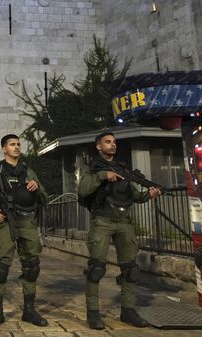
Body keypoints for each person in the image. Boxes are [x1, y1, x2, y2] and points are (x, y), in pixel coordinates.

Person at [78, 131, 161, 330]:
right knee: (96, 268)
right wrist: (103, 175)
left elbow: (133, 195)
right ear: (99, 146)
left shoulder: (123, 168)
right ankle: (93, 313)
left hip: (124, 222)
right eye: (108, 142)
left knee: (130, 269)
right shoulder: (92, 168)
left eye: (114, 142)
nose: (112, 145)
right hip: (102, 221)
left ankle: (128, 310)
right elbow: (82, 190)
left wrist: (148, 194)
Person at [0, 134, 49, 328]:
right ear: (4, 149)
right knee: (0, 269)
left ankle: (29, 310)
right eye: (12, 144)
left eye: (18, 144)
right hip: (5, 224)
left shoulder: (29, 172)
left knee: (32, 267)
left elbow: (45, 199)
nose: (17, 147)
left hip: (27, 223)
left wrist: (38, 187)